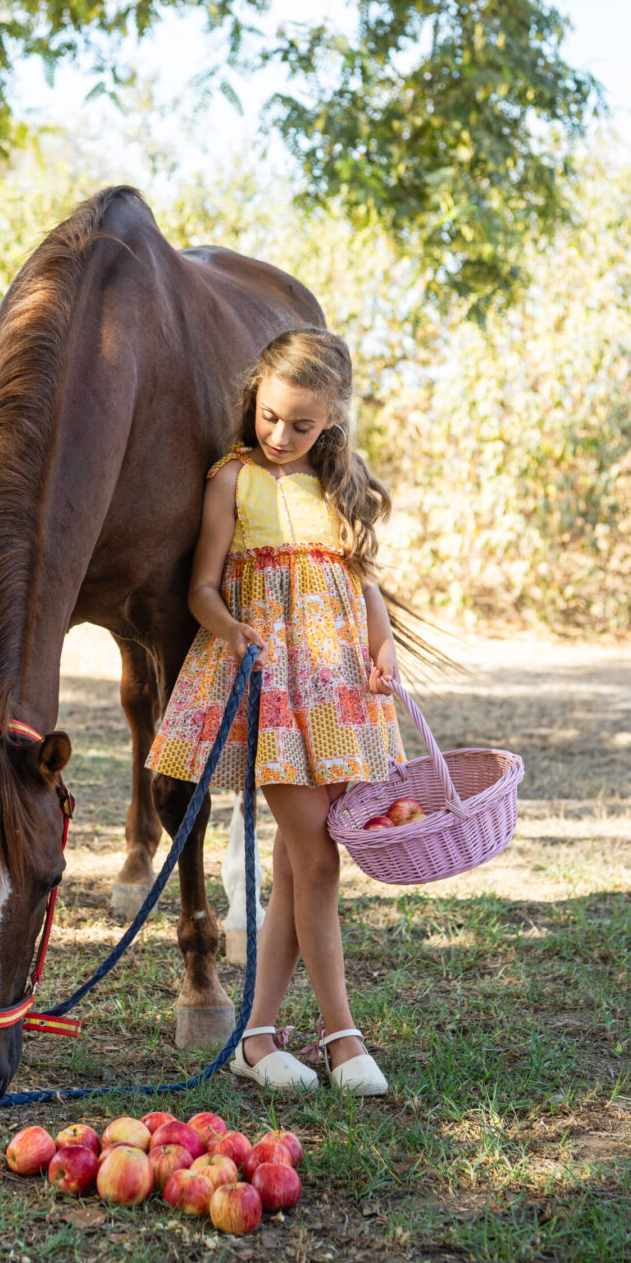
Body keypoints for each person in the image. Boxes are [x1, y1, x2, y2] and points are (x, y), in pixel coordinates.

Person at [146, 327, 405, 1094]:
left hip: (335, 689)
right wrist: (233, 629)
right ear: (252, 399)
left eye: (302, 424)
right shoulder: (232, 478)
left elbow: (362, 582)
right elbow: (201, 587)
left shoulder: (338, 486)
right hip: (275, 689)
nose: (281, 435)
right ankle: (342, 1034)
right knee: (318, 858)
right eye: (270, 416)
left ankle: (258, 1037)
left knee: (300, 864)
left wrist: (383, 641)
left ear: (331, 420)